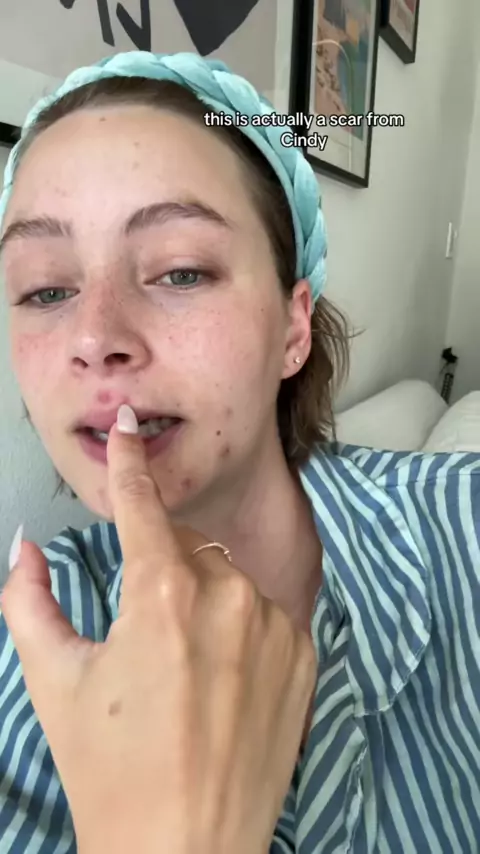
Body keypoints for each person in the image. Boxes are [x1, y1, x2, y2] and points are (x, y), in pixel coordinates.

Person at [0, 50, 479, 854]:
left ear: (293, 328)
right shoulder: (26, 653)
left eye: (180, 272)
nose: (94, 336)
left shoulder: (465, 524)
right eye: (46, 289)